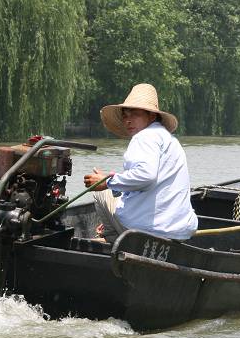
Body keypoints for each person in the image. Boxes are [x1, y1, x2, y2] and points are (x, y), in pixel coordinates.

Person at [83, 83, 198, 243]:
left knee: (100, 193)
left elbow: (146, 176)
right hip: (180, 231)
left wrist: (107, 182)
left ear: (151, 116)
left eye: (135, 114)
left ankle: (115, 241)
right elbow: (146, 178)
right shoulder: (169, 139)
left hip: (150, 231)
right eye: (125, 115)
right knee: (117, 192)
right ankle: (117, 235)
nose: (128, 120)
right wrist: (115, 181)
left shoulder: (144, 137)